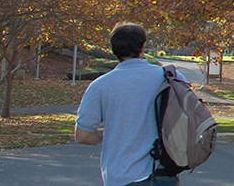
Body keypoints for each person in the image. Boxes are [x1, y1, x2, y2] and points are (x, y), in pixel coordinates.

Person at [75, 23, 186, 186]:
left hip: (122, 175)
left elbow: (83, 135)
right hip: (164, 172)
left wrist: (105, 136)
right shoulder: (170, 77)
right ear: (143, 46)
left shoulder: (101, 86)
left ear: (114, 49)